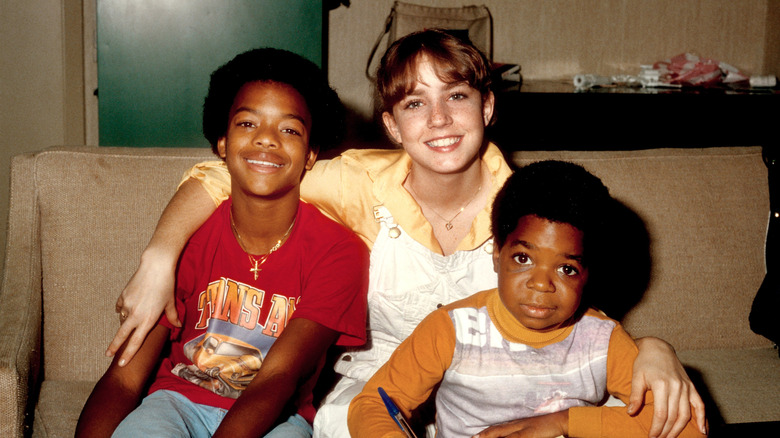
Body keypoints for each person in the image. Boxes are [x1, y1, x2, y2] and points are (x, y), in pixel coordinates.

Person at [106, 29, 705, 438]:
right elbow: (230, 172)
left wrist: (652, 347)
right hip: (380, 377)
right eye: (415, 104)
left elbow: (558, 293)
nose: (439, 119)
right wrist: (160, 257)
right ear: (391, 124)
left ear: (487, 108)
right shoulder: (359, 183)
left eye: (458, 96)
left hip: (503, 381)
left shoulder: (526, 200)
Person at [76, 47, 369, 438]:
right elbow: (125, 378)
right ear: (222, 144)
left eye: (289, 129)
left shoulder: (340, 250)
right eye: (248, 124)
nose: (266, 139)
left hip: (278, 417)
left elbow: (279, 377)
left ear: (311, 154)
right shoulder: (188, 234)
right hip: (176, 402)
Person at [348, 160, 707, 438]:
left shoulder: (602, 340)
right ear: (496, 254)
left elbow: (687, 429)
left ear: (589, 273)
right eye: (523, 259)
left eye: (567, 269)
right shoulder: (451, 329)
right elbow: (373, 404)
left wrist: (562, 422)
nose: (541, 284)